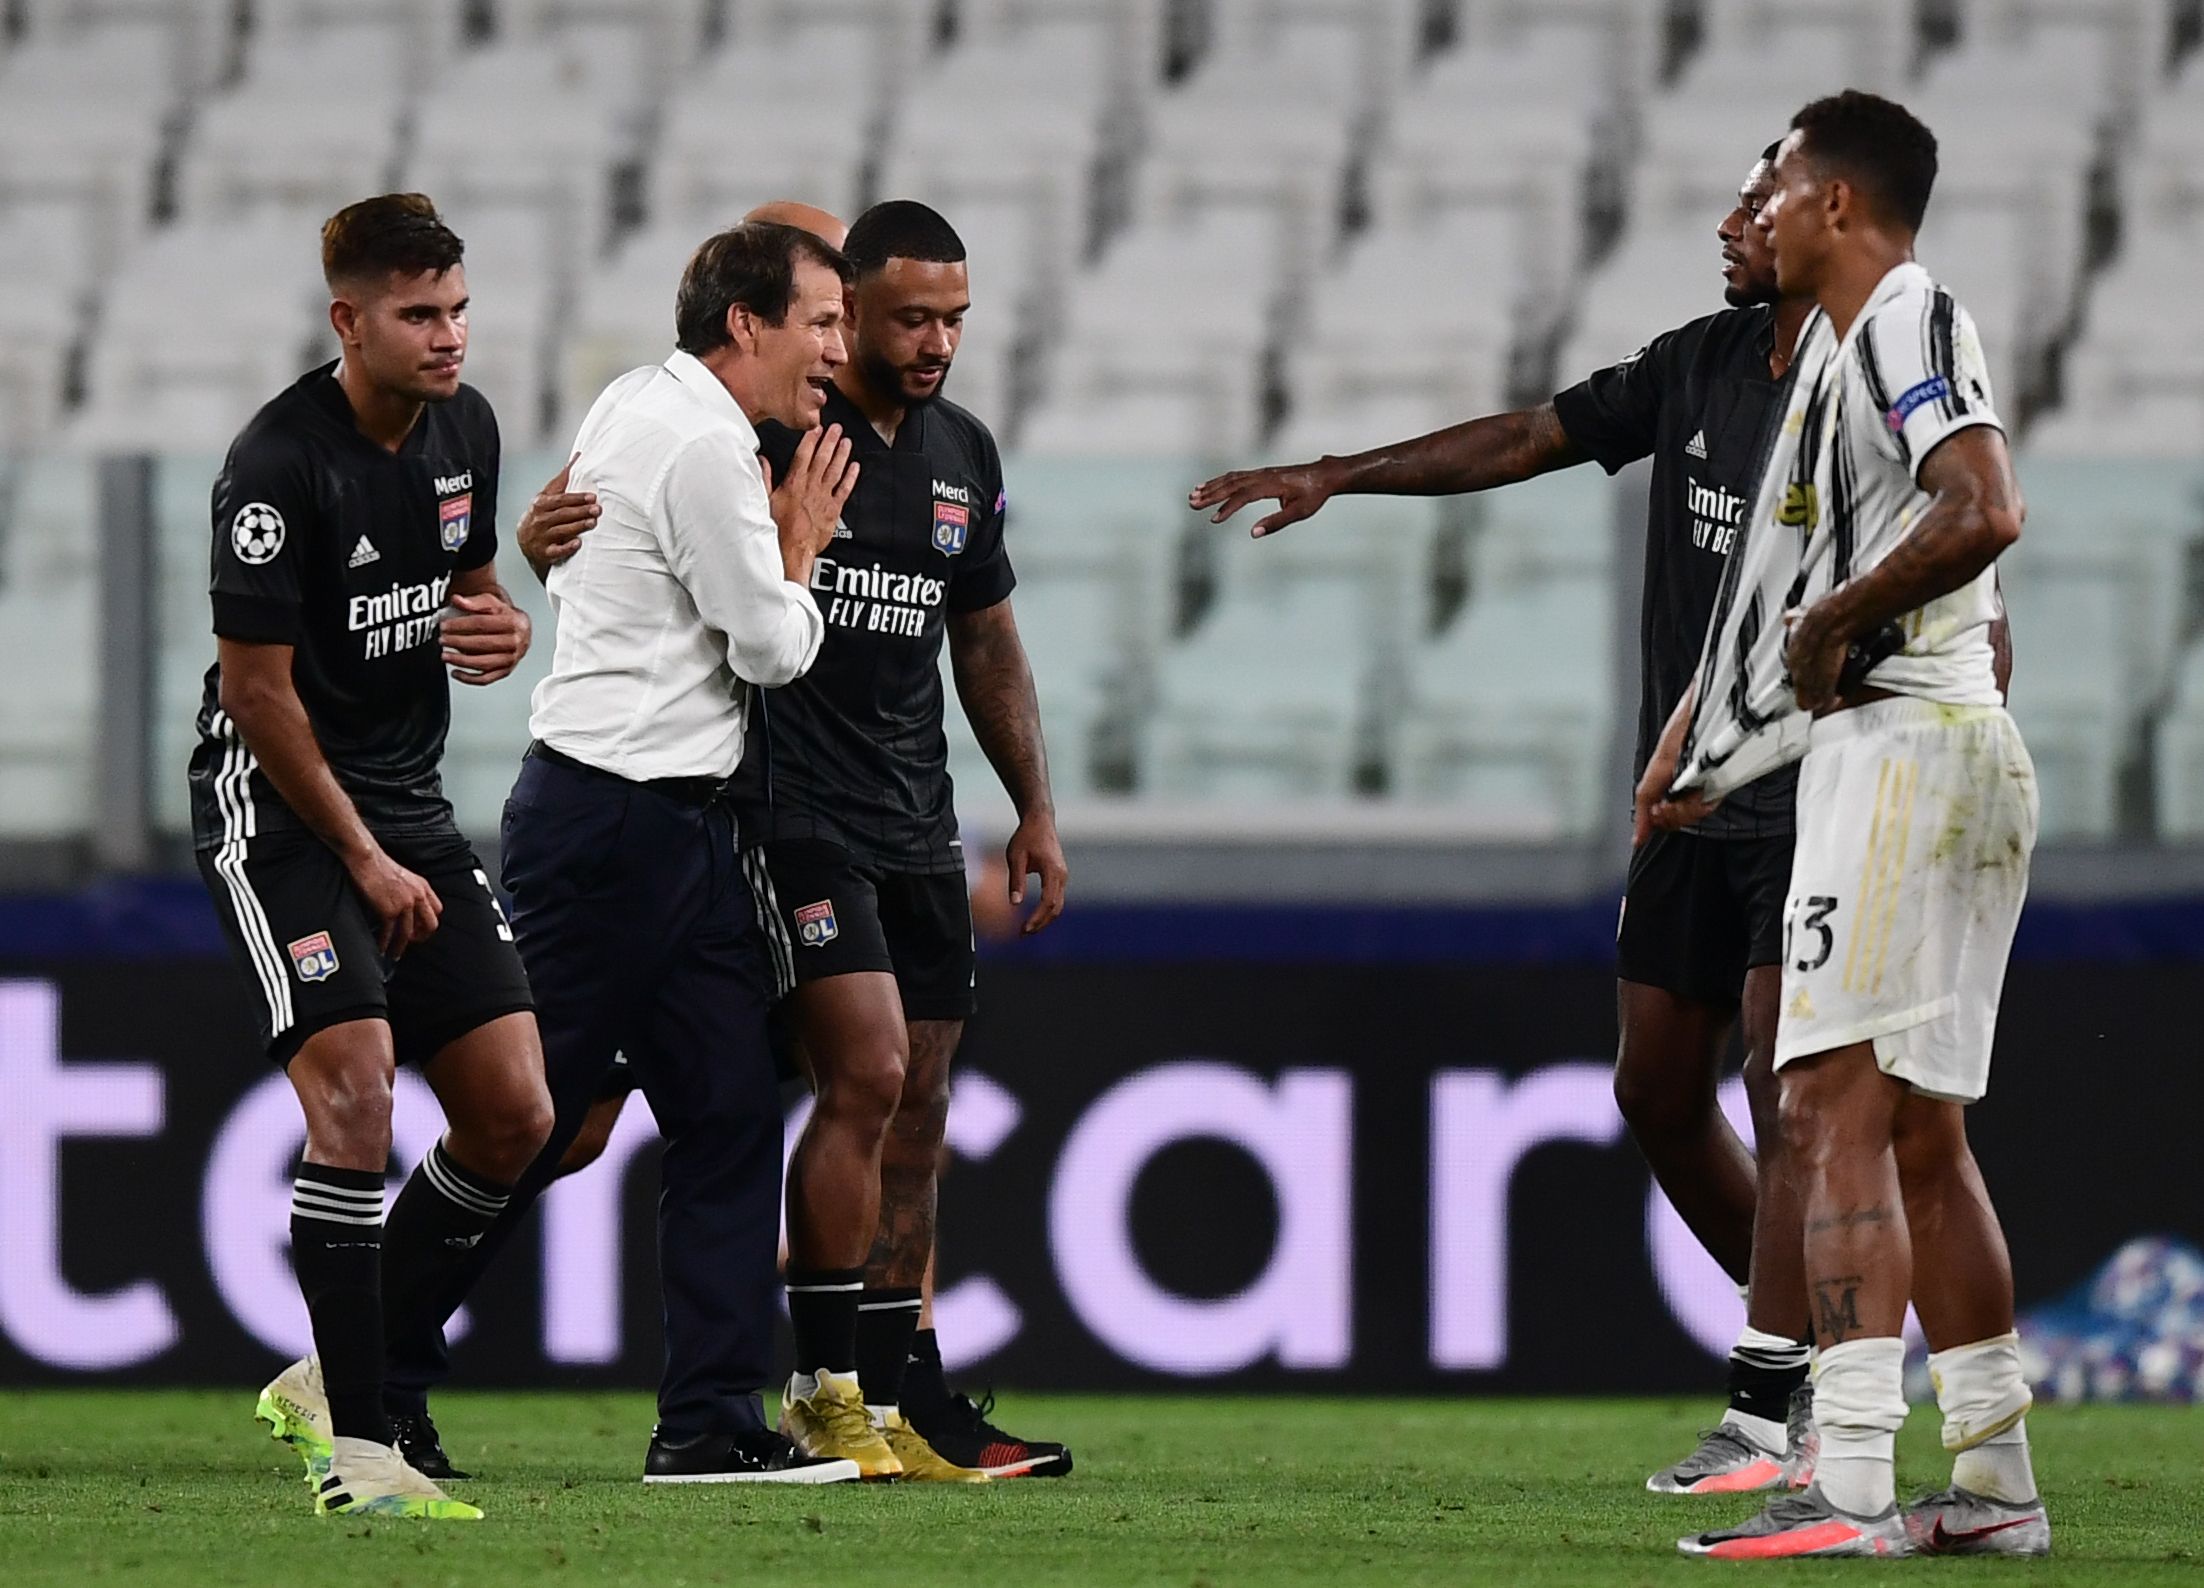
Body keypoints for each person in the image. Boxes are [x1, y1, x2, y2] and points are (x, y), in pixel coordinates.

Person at [1191, 150, 1826, 1493]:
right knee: (1657, 1089)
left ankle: (1777, 1405)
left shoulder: (1866, 395)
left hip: (1809, 796)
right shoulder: (1700, 361)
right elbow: (1532, 437)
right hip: (1684, 799)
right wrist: (1341, 472)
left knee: (1786, 1097)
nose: (1726, 225)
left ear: (1826, 220)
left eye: (1753, 208)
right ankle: (1819, 1345)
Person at [521, 199, 1074, 1482]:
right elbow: (624, 532)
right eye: (904, 319)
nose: (934, 343)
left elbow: (984, 638)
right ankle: (823, 1388)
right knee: (652, 1107)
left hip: (915, 820)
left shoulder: (960, 452)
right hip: (777, 818)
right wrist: (535, 535)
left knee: (908, 1104)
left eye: (954, 320)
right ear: (842, 313)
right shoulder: (764, 429)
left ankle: (889, 1392)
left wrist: (1033, 804)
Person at [376, 220, 866, 1485]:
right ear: (746, 324)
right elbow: (769, 646)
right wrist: (798, 543)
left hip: (664, 821)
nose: (838, 348)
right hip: (613, 827)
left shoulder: (634, 401)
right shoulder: (705, 447)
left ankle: (706, 1424)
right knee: (523, 1122)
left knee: (728, 1111)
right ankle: (357, 1369)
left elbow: (583, 569)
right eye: (821, 321)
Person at [1648, 91, 2045, 1561]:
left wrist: (1836, 624)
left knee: (1825, 1111)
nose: (1750, 211)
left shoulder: (1900, 318)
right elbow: (1809, 571)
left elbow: (1982, 504)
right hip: (1922, 750)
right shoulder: (1845, 348)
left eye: (1773, 185)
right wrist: (1715, 728)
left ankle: (1852, 1477)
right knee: (1922, 1137)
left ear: (1833, 202)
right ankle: (1995, 1482)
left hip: (1903, 760)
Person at [194, 193, 551, 1520]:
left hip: (404, 805)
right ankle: (362, 1451)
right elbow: (257, 693)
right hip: (281, 809)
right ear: (348, 320)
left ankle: (327, 1378)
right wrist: (362, 856)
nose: (448, 336)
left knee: (517, 1113)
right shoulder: (276, 465)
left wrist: (501, 623)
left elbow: (468, 588)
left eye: (456, 310)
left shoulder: (468, 428)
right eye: (418, 315)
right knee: (356, 1096)